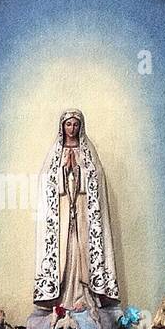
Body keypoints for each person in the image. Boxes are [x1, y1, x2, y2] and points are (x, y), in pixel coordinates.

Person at [32, 108, 119, 314]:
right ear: (62, 126)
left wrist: (78, 170)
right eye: (68, 124)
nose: (72, 128)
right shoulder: (55, 153)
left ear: (81, 127)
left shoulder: (88, 152)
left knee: (82, 252)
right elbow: (46, 183)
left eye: (76, 124)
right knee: (65, 251)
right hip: (62, 218)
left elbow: (97, 181)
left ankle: (85, 295)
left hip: (83, 216)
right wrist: (64, 171)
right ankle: (62, 299)